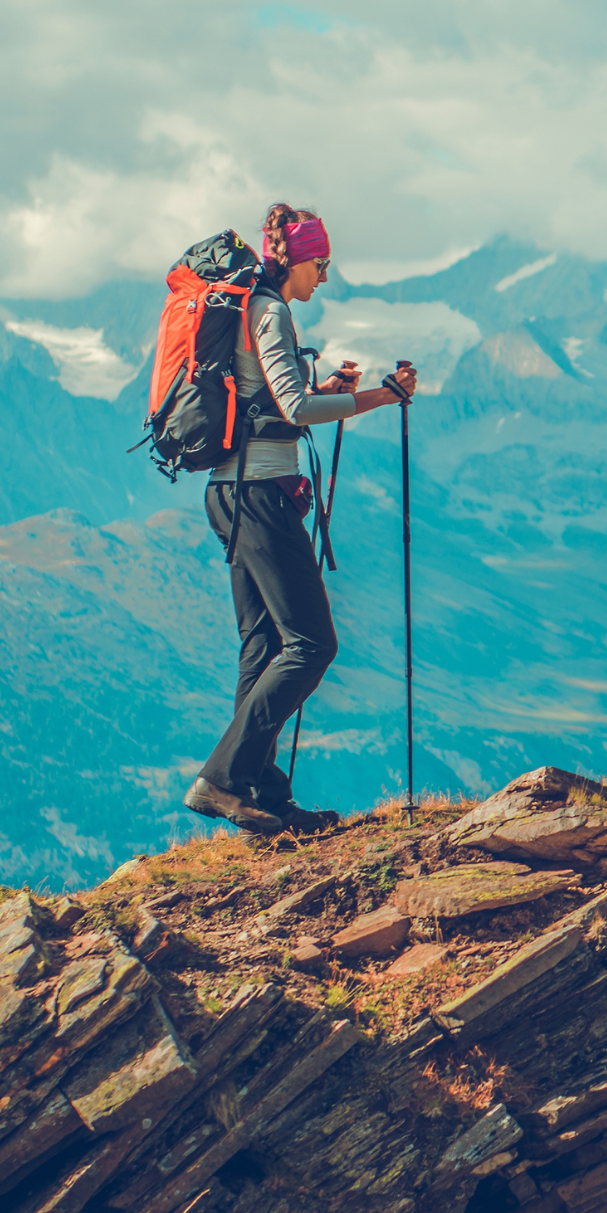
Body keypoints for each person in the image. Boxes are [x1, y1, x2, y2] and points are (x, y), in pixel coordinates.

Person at [184, 203, 418, 835]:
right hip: (259, 496)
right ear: (300, 260)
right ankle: (222, 780)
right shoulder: (271, 311)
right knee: (313, 644)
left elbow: (273, 400)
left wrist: (328, 389)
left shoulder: (252, 308)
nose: (326, 276)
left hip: (231, 492)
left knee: (263, 647)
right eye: (322, 263)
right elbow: (293, 410)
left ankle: (262, 795)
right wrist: (382, 396)